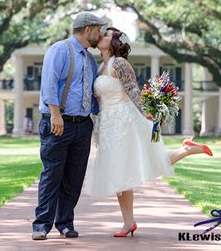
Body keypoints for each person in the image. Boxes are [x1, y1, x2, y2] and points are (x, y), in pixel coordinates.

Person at [84, 27, 213, 237]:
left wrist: (146, 112)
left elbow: (133, 89)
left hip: (125, 122)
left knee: (131, 170)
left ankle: (187, 151)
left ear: (114, 41)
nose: (101, 36)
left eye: (106, 35)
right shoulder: (101, 66)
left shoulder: (119, 63)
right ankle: (129, 222)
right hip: (108, 124)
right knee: (121, 173)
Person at [31, 12, 106, 240]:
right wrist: (55, 114)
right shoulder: (60, 49)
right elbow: (50, 82)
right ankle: (41, 225)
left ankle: (65, 222)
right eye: (98, 30)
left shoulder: (90, 59)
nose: (100, 34)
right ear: (87, 30)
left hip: (82, 125)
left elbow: (91, 93)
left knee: (74, 178)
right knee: (52, 174)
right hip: (58, 122)